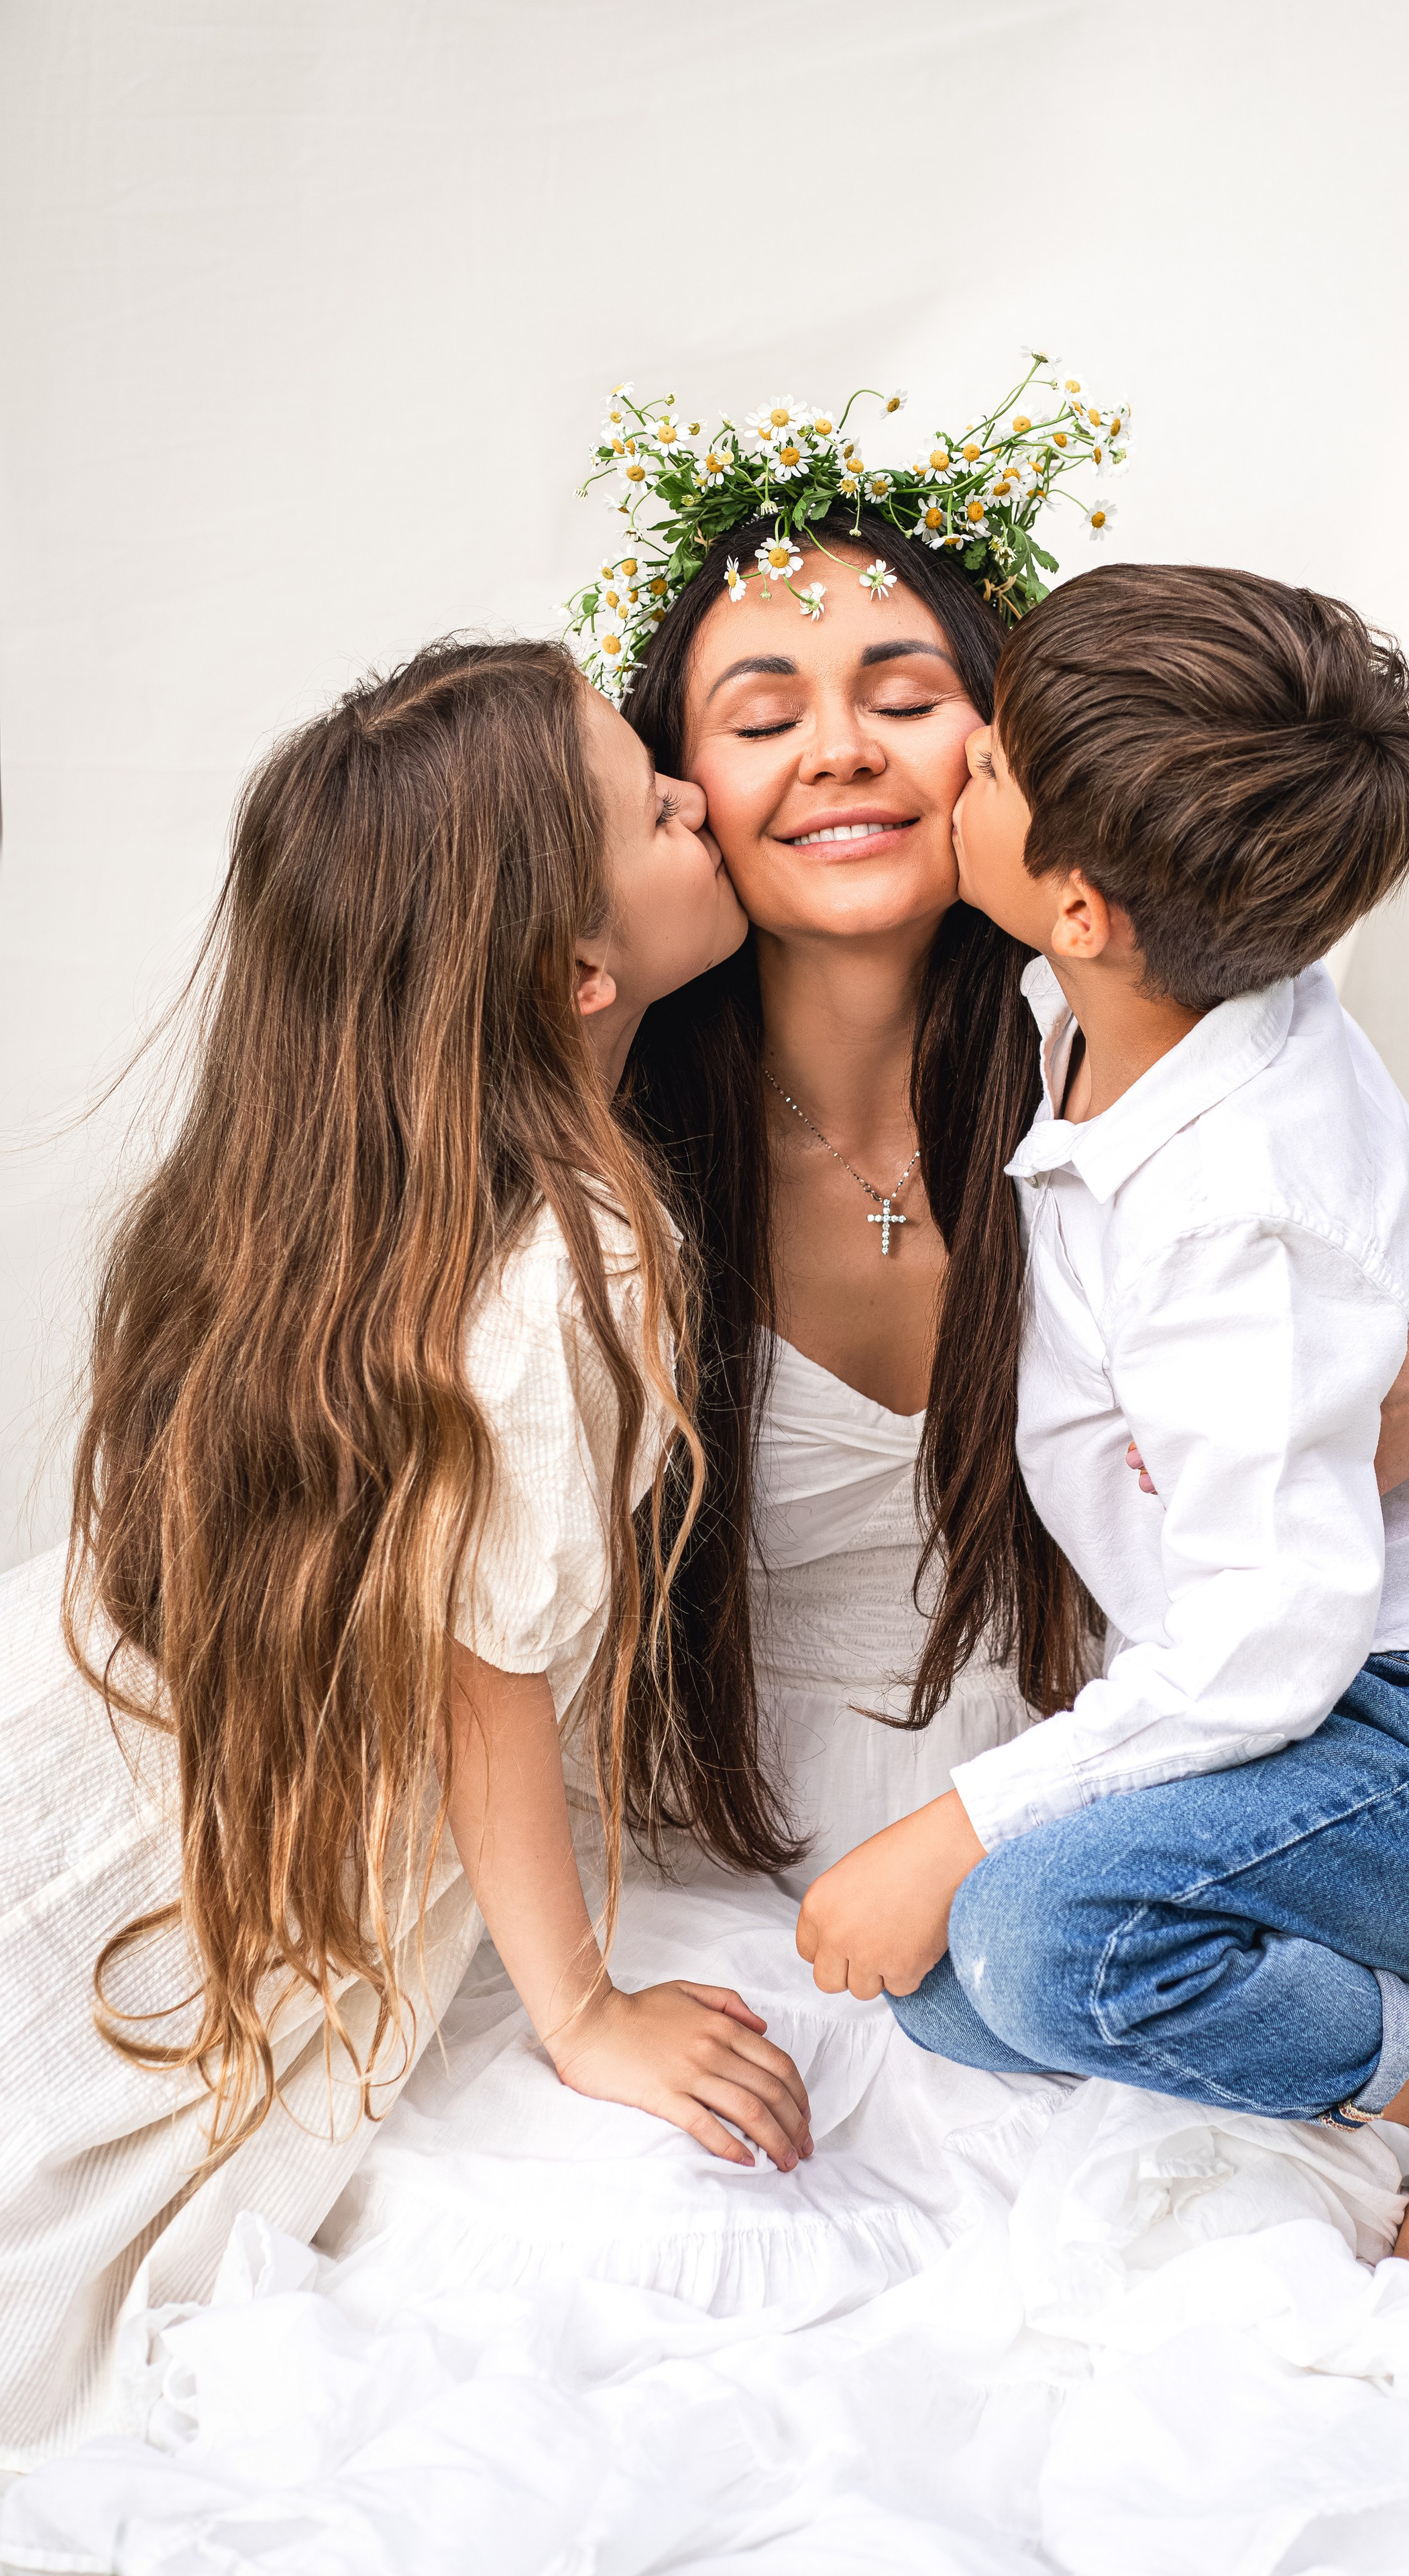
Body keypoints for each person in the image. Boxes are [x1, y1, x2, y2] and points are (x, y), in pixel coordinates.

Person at [0, 635, 813, 2465]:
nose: (699, 792)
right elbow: (480, 1672)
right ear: (576, 968)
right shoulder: (570, 1271)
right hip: (143, 1818)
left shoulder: (367, 1201)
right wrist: (582, 2010)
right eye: (660, 800)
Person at [792, 564, 1409, 2257]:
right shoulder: (1131, 1006)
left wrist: (953, 1824)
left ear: (1086, 909)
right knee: (956, 1992)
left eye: (987, 771)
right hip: (1354, 1713)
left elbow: (1268, 1645)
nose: (954, 752)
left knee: (1040, 1936)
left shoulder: (1234, 1209)